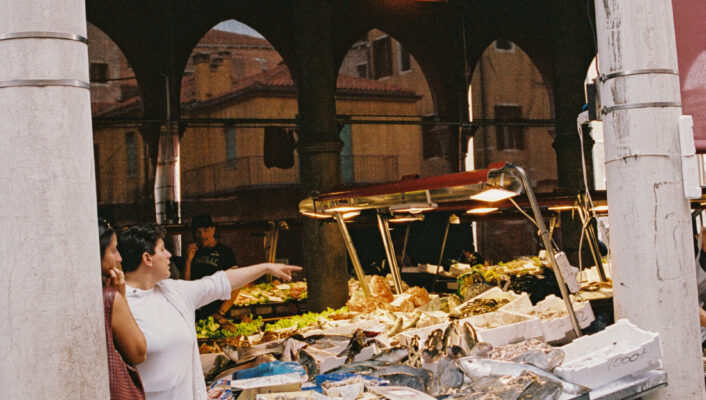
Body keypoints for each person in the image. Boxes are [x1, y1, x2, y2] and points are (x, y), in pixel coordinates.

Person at [118, 224, 301, 400]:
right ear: (147, 258)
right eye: (162, 249)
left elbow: (220, 282)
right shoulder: (120, 304)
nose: (169, 254)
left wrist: (266, 267)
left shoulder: (172, 290)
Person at [99, 219, 147, 400]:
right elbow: (138, 352)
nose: (119, 258)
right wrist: (121, 297)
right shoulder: (110, 299)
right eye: (113, 250)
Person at [184, 214, 239, 320]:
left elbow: (237, 284)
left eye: (206, 230)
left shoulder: (225, 253)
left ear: (213, 230)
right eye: (198, 232)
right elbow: (185, 285)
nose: (202, 235)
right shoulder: (192, 253)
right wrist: (188, 261)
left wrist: (221, 312)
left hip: (217, 313)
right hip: (195, 313)